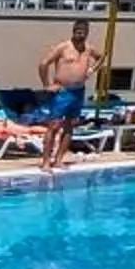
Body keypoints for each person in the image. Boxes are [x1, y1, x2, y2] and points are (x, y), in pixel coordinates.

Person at [36, 20, 97, 173]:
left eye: (83, 31)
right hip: (62, 91)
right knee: (54, 126)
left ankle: (58, 160)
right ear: (73, 30)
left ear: (87, 32)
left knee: (70, 126)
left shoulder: (88, 49)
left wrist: (92, 70)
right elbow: (44, 64)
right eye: (78, 31)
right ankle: (45, 162)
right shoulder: (63, 47)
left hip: (78, 91)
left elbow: (102, 56)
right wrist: (47, 85)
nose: (80, 34)